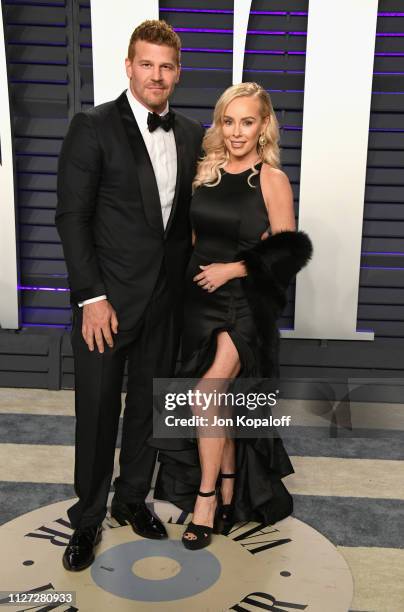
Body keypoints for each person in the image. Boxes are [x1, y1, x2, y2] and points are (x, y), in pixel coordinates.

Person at [55, 20, 204, 570]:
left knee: (148, 407)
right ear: (128, 66)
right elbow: (72, 217)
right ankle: (88, 518)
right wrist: (90, 296)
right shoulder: (91, 126)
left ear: (177, 72)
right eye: (147, 64)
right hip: (106, 305)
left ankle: (132, 497)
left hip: (165, 303)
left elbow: (188, 220)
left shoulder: (190, 134)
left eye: (166, 66)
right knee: (96, 414)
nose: (156, 75)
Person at [152, 82, 313, 550]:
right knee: (214, 402)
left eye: (248, 121)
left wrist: (234, 269)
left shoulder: (271, 179)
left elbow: (288, 252)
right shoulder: (207, 173)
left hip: (244, 303)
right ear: (219, 124)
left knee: (206, 395)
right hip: (198, 301)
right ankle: (226, 486)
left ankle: (205, 502)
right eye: (229, 121)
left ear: (263, 126)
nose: (238, 131)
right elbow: (197, 240)